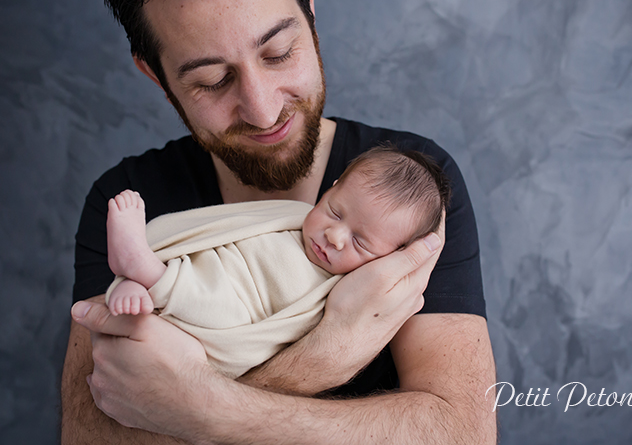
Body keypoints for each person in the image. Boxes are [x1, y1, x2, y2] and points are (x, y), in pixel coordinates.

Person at [61, 0, 497, 443]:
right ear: (156, 77)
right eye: (212, 81)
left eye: (278, 52)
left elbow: (461, 433)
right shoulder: (126, 201)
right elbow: (90, 438)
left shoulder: (411, 195)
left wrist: (191, 405)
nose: (264, 111)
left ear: (309, 14)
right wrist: (323, 358)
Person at [104, 146, 451, 378]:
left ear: (391, 259)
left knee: (220, 308)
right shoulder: (293, 217)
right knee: (202, 262)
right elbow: (220, 229)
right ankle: (142, 276)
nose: (335, 236)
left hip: (238, 315)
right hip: (213, 268)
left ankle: (146, 272)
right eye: (334, 211)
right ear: (330, 189)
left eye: (360, 242)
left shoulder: (342, 290)